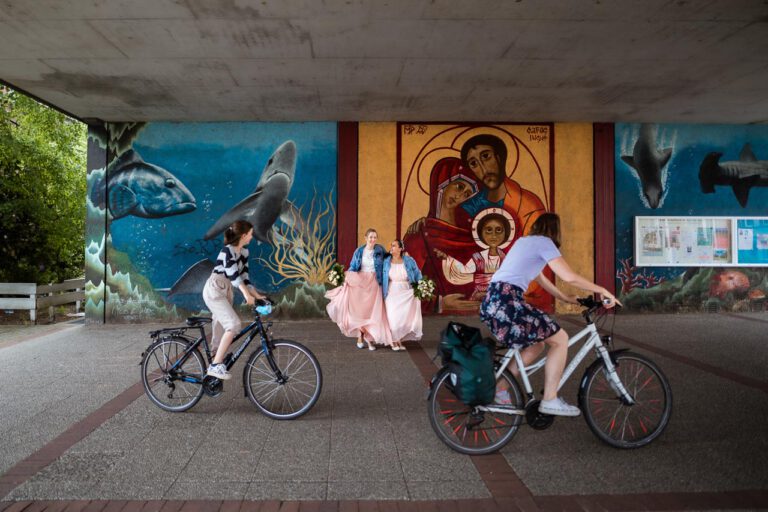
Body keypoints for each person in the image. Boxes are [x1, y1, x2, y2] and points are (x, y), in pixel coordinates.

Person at [480, 213, 620, 416]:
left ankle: (500, 390)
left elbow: (541, 279)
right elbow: (568, 276)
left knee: (536, 345)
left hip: (494, 303)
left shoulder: (524, 242)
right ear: (555, 231)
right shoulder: (545, 242)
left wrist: (566, 298)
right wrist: (603, 290)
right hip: (507, 302)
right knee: (561, 339)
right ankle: (550, 399)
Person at [459, 133, 551, 311]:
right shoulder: (468, 207)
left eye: (486, 156)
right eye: (474, 163)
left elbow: (537, 258)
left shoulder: (528, 204)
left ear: (500, 158)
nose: (483, 168)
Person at [402, 157, 481, 312]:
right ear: (442, 184)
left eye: (467, 194)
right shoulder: (419, 235)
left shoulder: (471, 236)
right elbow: (405, 286)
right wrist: (439, 304)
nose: (460, 196)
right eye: (458, 186)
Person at [203, 220, 266, 380]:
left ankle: (213, 368)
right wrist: (246, 295)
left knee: (221, 330)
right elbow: (233, 275)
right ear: (244, 235)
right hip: (215, 289)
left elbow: (245, 278)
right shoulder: (227, 251)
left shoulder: (244, 253)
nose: (252, 237)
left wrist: (258, 296)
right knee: (233, 324)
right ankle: (215, 366)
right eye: (250, 234)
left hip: (226, 291)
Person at [325, 228, 392, 350]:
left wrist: (401, 256)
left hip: (375, 283)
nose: (373, 239)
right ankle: (360, 336)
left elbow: (389, 260)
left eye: (375, 237)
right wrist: (347, 279)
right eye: (370, 237)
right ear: (365, 238)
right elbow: (353, 266)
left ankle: (370, 339)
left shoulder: (380, 249)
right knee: (361, 312)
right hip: (361, 282)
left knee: (372, 312)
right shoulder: (359, 251)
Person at [434, 209, 511, 301]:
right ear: (481, 233)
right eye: (489, 230)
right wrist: (448, 259)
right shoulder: (478, 258)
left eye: (498, 230)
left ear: (505, 233)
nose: (493, 235)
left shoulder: (506, 259)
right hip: (480, 297)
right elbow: (463, 270)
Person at [382, 239, 423, 351]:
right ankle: (393, 341)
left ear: (400, 248)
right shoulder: (386, 261)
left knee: (402, 317)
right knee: (393, 316)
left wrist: (422, 285)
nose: (391, 247)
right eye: (391, 245)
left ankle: (399, 339)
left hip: (406, 290)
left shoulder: (409, 260)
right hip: (391, 291)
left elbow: (417, 273)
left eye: (394, 245)